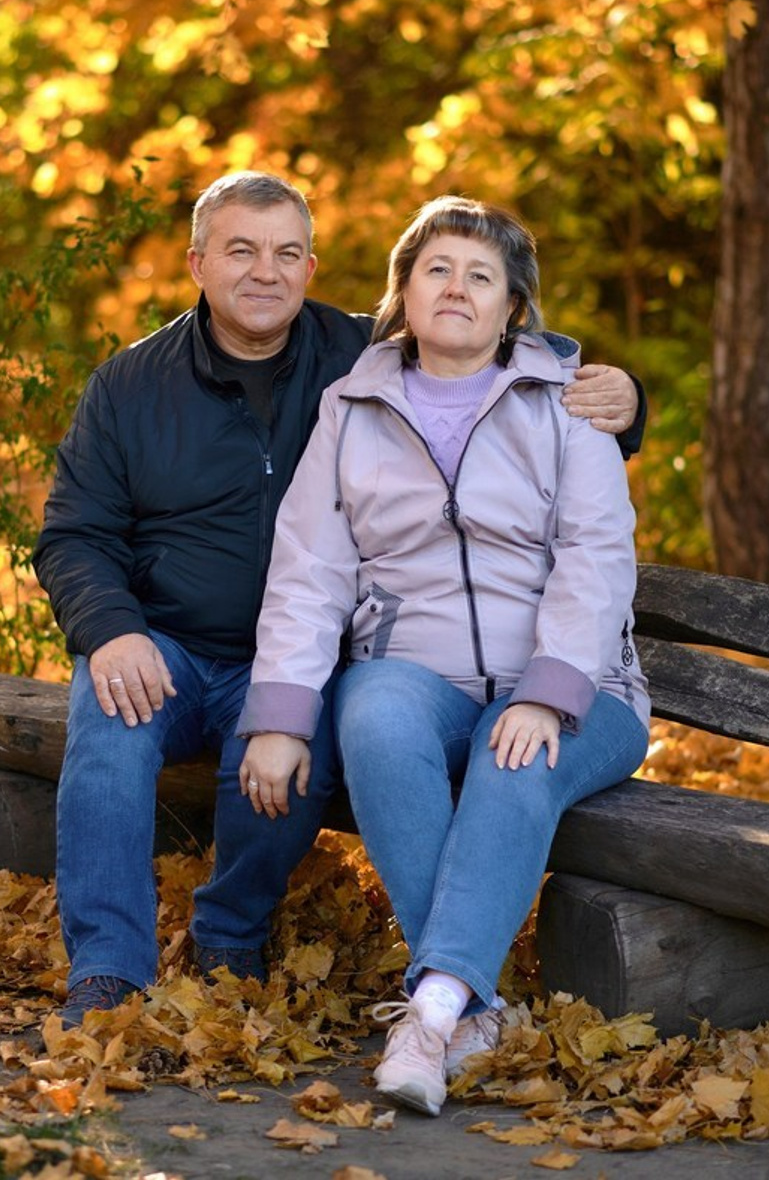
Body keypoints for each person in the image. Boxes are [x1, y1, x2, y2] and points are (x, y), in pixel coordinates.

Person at [33, 173, 643, 1027]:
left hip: (284, 661)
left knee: (308, 731)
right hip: (164, 642)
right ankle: (107, 972)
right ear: (198, 262)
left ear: (313, 266)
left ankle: (236, 939)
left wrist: (625, 398)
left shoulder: (350, 354)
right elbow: (74, 536)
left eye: (287, 253)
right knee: (110, 724)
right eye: (240, 250)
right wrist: (109, 630)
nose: (264, 272)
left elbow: (488, 333)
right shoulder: (132, 387)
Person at [236, 195, 650, 1115]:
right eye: (437, 270)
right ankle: (475, 1007)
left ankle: (430, 1011)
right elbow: (309, 573)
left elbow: (595, 558)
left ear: (512, 310)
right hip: (421, 681)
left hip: (585, 692)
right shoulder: (351, 409)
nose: (456, 287)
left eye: (481, 276)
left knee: (517, 746)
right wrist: (278, 718)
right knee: (372, 709)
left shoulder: (568, 403)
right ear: (403, 294)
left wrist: (548, 693)